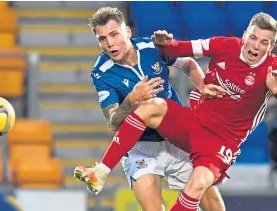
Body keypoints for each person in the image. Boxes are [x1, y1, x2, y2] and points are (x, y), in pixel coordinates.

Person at [75, 7, 226, 211]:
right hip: (140, 148)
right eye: (102, 39)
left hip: (177, 140)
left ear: (127, 31)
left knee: (213, 205)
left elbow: (188, 63)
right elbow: (113, 122)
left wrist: (202, 85)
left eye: (114, 34)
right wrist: (131, 100)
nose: (110, 44)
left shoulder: (151, 47)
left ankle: (102, 170)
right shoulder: (101, 74)